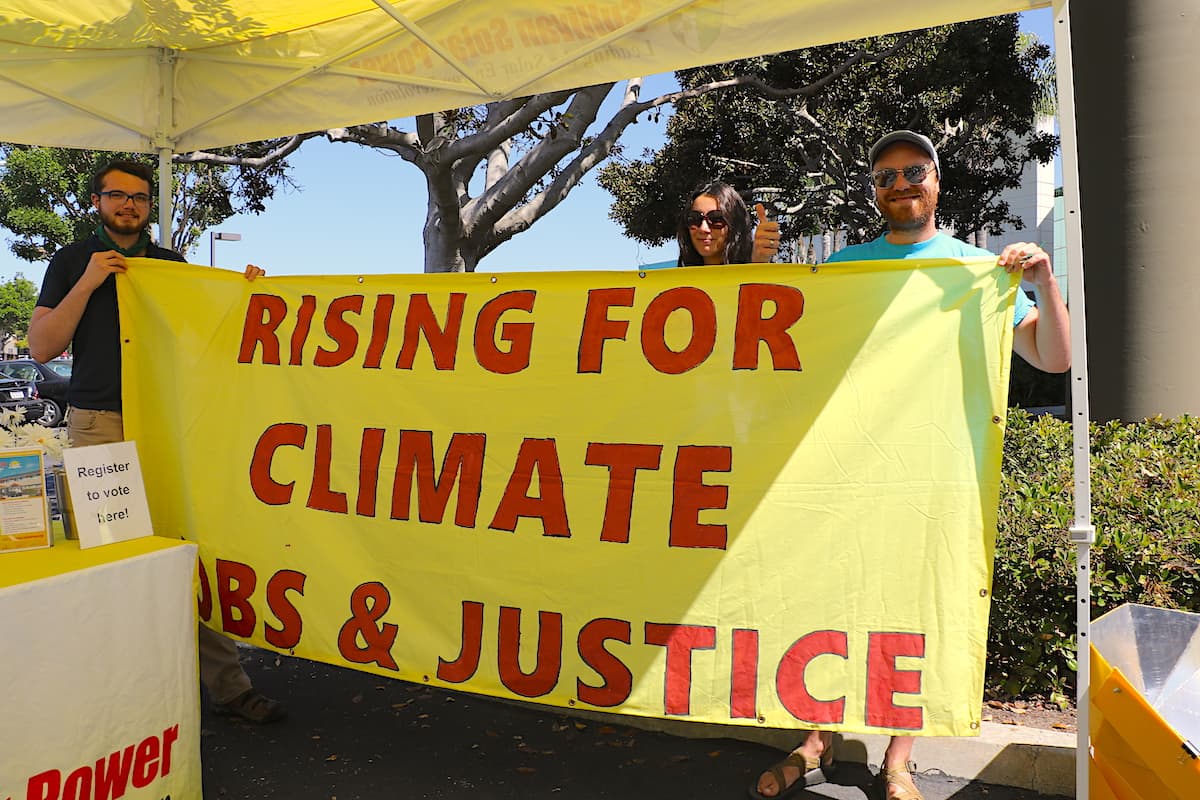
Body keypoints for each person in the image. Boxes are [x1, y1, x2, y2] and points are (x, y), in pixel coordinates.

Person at [748, 130, 1070, 800]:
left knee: (915, 612)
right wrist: (760, 267)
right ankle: (814, 742)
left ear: (937, 181)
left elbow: (1054, 358)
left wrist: (1043, 283)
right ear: (875, 191)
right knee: (832, 606)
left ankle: (899, 761)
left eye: (913, 172)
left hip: (936, 474)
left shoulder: (977, 271)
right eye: (886, 176)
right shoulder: (845, 268)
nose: (901, 185)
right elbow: (777, 349)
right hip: (845, 471)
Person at [28, 159, 286, 724]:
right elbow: (42, 347)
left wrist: (239, 296)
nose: (130, 205)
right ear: (96, 201)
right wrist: (91, 280)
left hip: (170, 425)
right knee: (115, 556)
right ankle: (125, 695)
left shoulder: (171, 267)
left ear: (151, 206)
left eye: (141, 198)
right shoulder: (72, 260)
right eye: (117, 195)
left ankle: (228, 685)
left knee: (190, 548)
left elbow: (207, 340)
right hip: (101, 426)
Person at [676, 179, 778, 267]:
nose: (703, 228)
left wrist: (759, 263)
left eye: (716, 218)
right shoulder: (676, 283)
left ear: (734, 224)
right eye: (694, 218)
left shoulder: (755, 273)